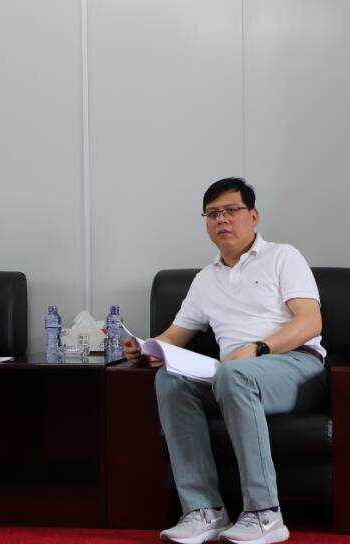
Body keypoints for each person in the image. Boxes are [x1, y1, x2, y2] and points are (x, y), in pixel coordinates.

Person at [124, 178, 326, 544]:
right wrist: (144, 348)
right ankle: (204, 511)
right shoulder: (205, 279)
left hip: (296, 366)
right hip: (232, 375)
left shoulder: (283, 257)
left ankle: (265, 514)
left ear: (254, 216)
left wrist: (258, 349)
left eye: (231, 210)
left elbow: (310, 322)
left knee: (234, 374)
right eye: (213, 213)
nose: (222, 219)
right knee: (170, 379)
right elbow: (174, 336)